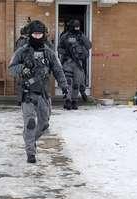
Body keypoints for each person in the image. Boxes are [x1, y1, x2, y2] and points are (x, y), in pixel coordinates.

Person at [9, 20, 68, 163]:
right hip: (28, 93)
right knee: (30, 123)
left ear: (44, 35)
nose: (37, 36)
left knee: (44, 124)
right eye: (34, 34)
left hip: (43, 93)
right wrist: (22, 68)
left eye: (39, 34)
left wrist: (64, 85)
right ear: (30, 35)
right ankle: (30, 152)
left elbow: (58, 69)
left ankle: (30, 140)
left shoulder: (48, 52)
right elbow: (11, 68)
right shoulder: (22, 51)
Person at [58, 19, 92, 110]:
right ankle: (68, 100)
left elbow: (89, 46)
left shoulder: (81, 36)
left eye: (78, 27)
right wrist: (67, 52)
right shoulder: (65, 36)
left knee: (76, 83)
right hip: (68, 62)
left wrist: (82, 36)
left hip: (78, 63)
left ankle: (74, 101)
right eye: (75, 27)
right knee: (68, 82)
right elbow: (59, 48)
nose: (77, 29)